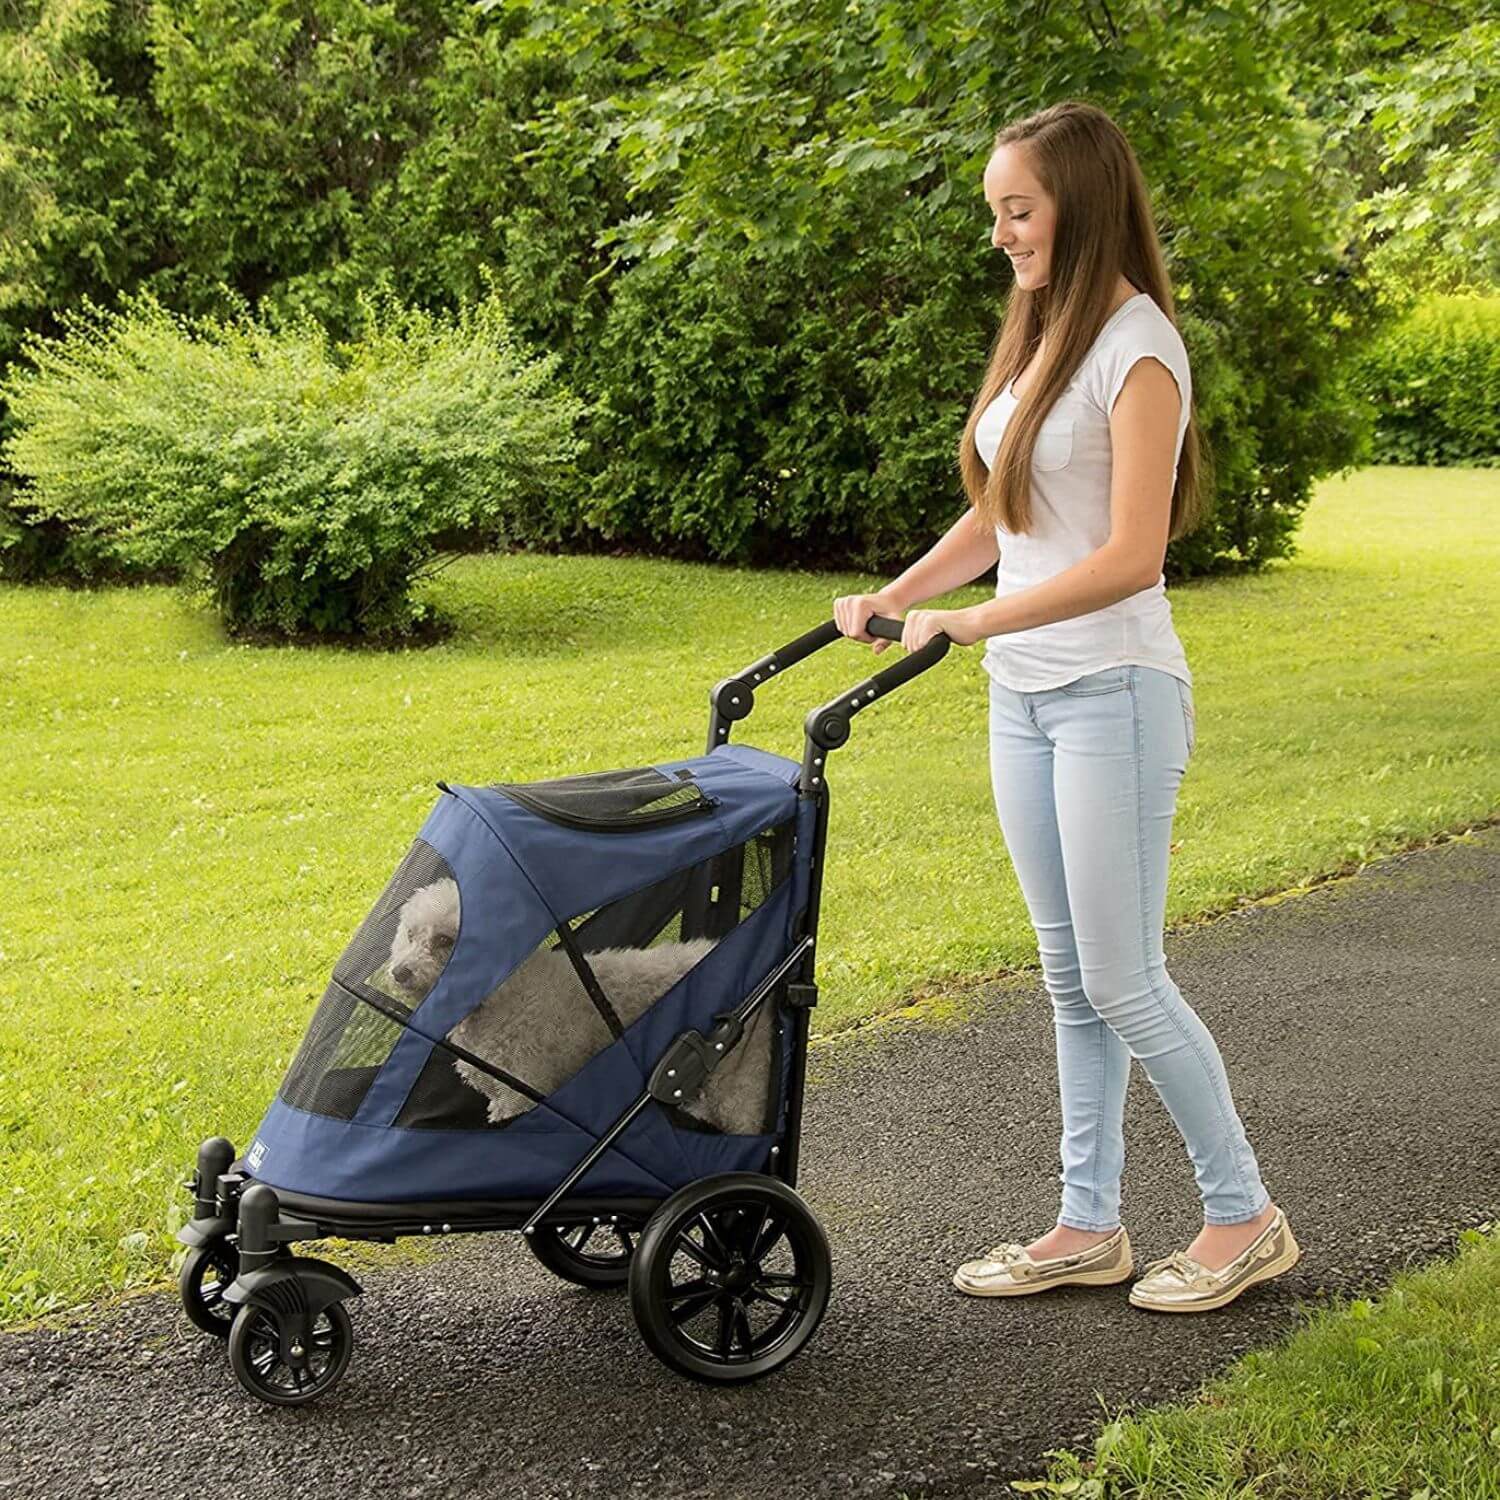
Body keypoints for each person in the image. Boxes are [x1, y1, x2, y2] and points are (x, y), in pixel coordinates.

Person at [833, 100, 1300, 1313]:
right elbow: (1003, 517)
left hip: (1116, 693)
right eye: (996, 213)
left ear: (1078, 206)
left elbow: (1132, 554)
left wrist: (972, 621)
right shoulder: (1043, 335)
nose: (1002, 234)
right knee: (1066, 973)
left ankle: (1242, 1215)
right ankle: (1087, 1223)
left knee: (1124, 977)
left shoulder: (1139, 346)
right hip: (1025, 698)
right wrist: (901, 593)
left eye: (1019, 210)